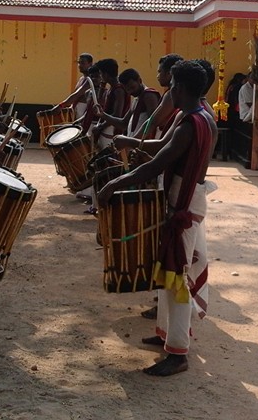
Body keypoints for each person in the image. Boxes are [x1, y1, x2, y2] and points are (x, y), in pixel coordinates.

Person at [98, 60, 217, 377]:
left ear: (179, 87)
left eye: (171, 85)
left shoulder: (192, 123)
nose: (168, 90)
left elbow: (158, 162)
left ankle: (178, 353)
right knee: (167, 269)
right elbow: (164, 147)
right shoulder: (196, 116)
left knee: (175, 274)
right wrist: (133, 142)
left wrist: (114, 184)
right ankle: (166, 333)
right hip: (183, 195)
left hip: (184, 201)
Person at [94, 68, 161, 137]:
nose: (130, 92)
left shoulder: (149, 95)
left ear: (140, 81)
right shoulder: (136, 98)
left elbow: (152, 124)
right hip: (134, 144)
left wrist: (133, 141)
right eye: (127, 89)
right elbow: (123, 124)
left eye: (132, 87)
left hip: (142, 145)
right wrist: (103, 115)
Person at [142, 53, 183, 139]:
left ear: (169, 74)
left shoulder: (170, 95)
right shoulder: (175, 92)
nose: (158, 76)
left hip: (164, 138)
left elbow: (153, 121)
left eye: (160, 72)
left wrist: (132, 141)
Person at [60, 53, 94, 120]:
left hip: (85, 114)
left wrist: (60, 106)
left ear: (90, 64)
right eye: (79, 63)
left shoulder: (91, 79)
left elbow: (77, 94)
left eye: (83, 63)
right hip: (75, 113)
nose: (80, 65)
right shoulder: (81, 79)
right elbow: (75, 96)